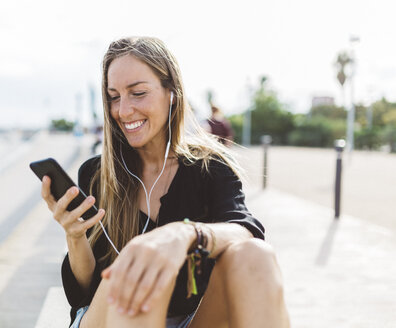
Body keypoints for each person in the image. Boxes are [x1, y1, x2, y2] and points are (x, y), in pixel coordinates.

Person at [41, 37, 290, 328]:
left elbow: (246, 231)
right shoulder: (97, 174)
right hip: (106, 316)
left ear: (171, 92)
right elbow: (83, 293)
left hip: (187, 319)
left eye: (137, 93)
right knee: (137, 275)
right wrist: (74, 235)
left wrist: (186, 235)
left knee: (255, 256)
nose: (123, 110)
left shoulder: (209, 168)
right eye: (114, 96)